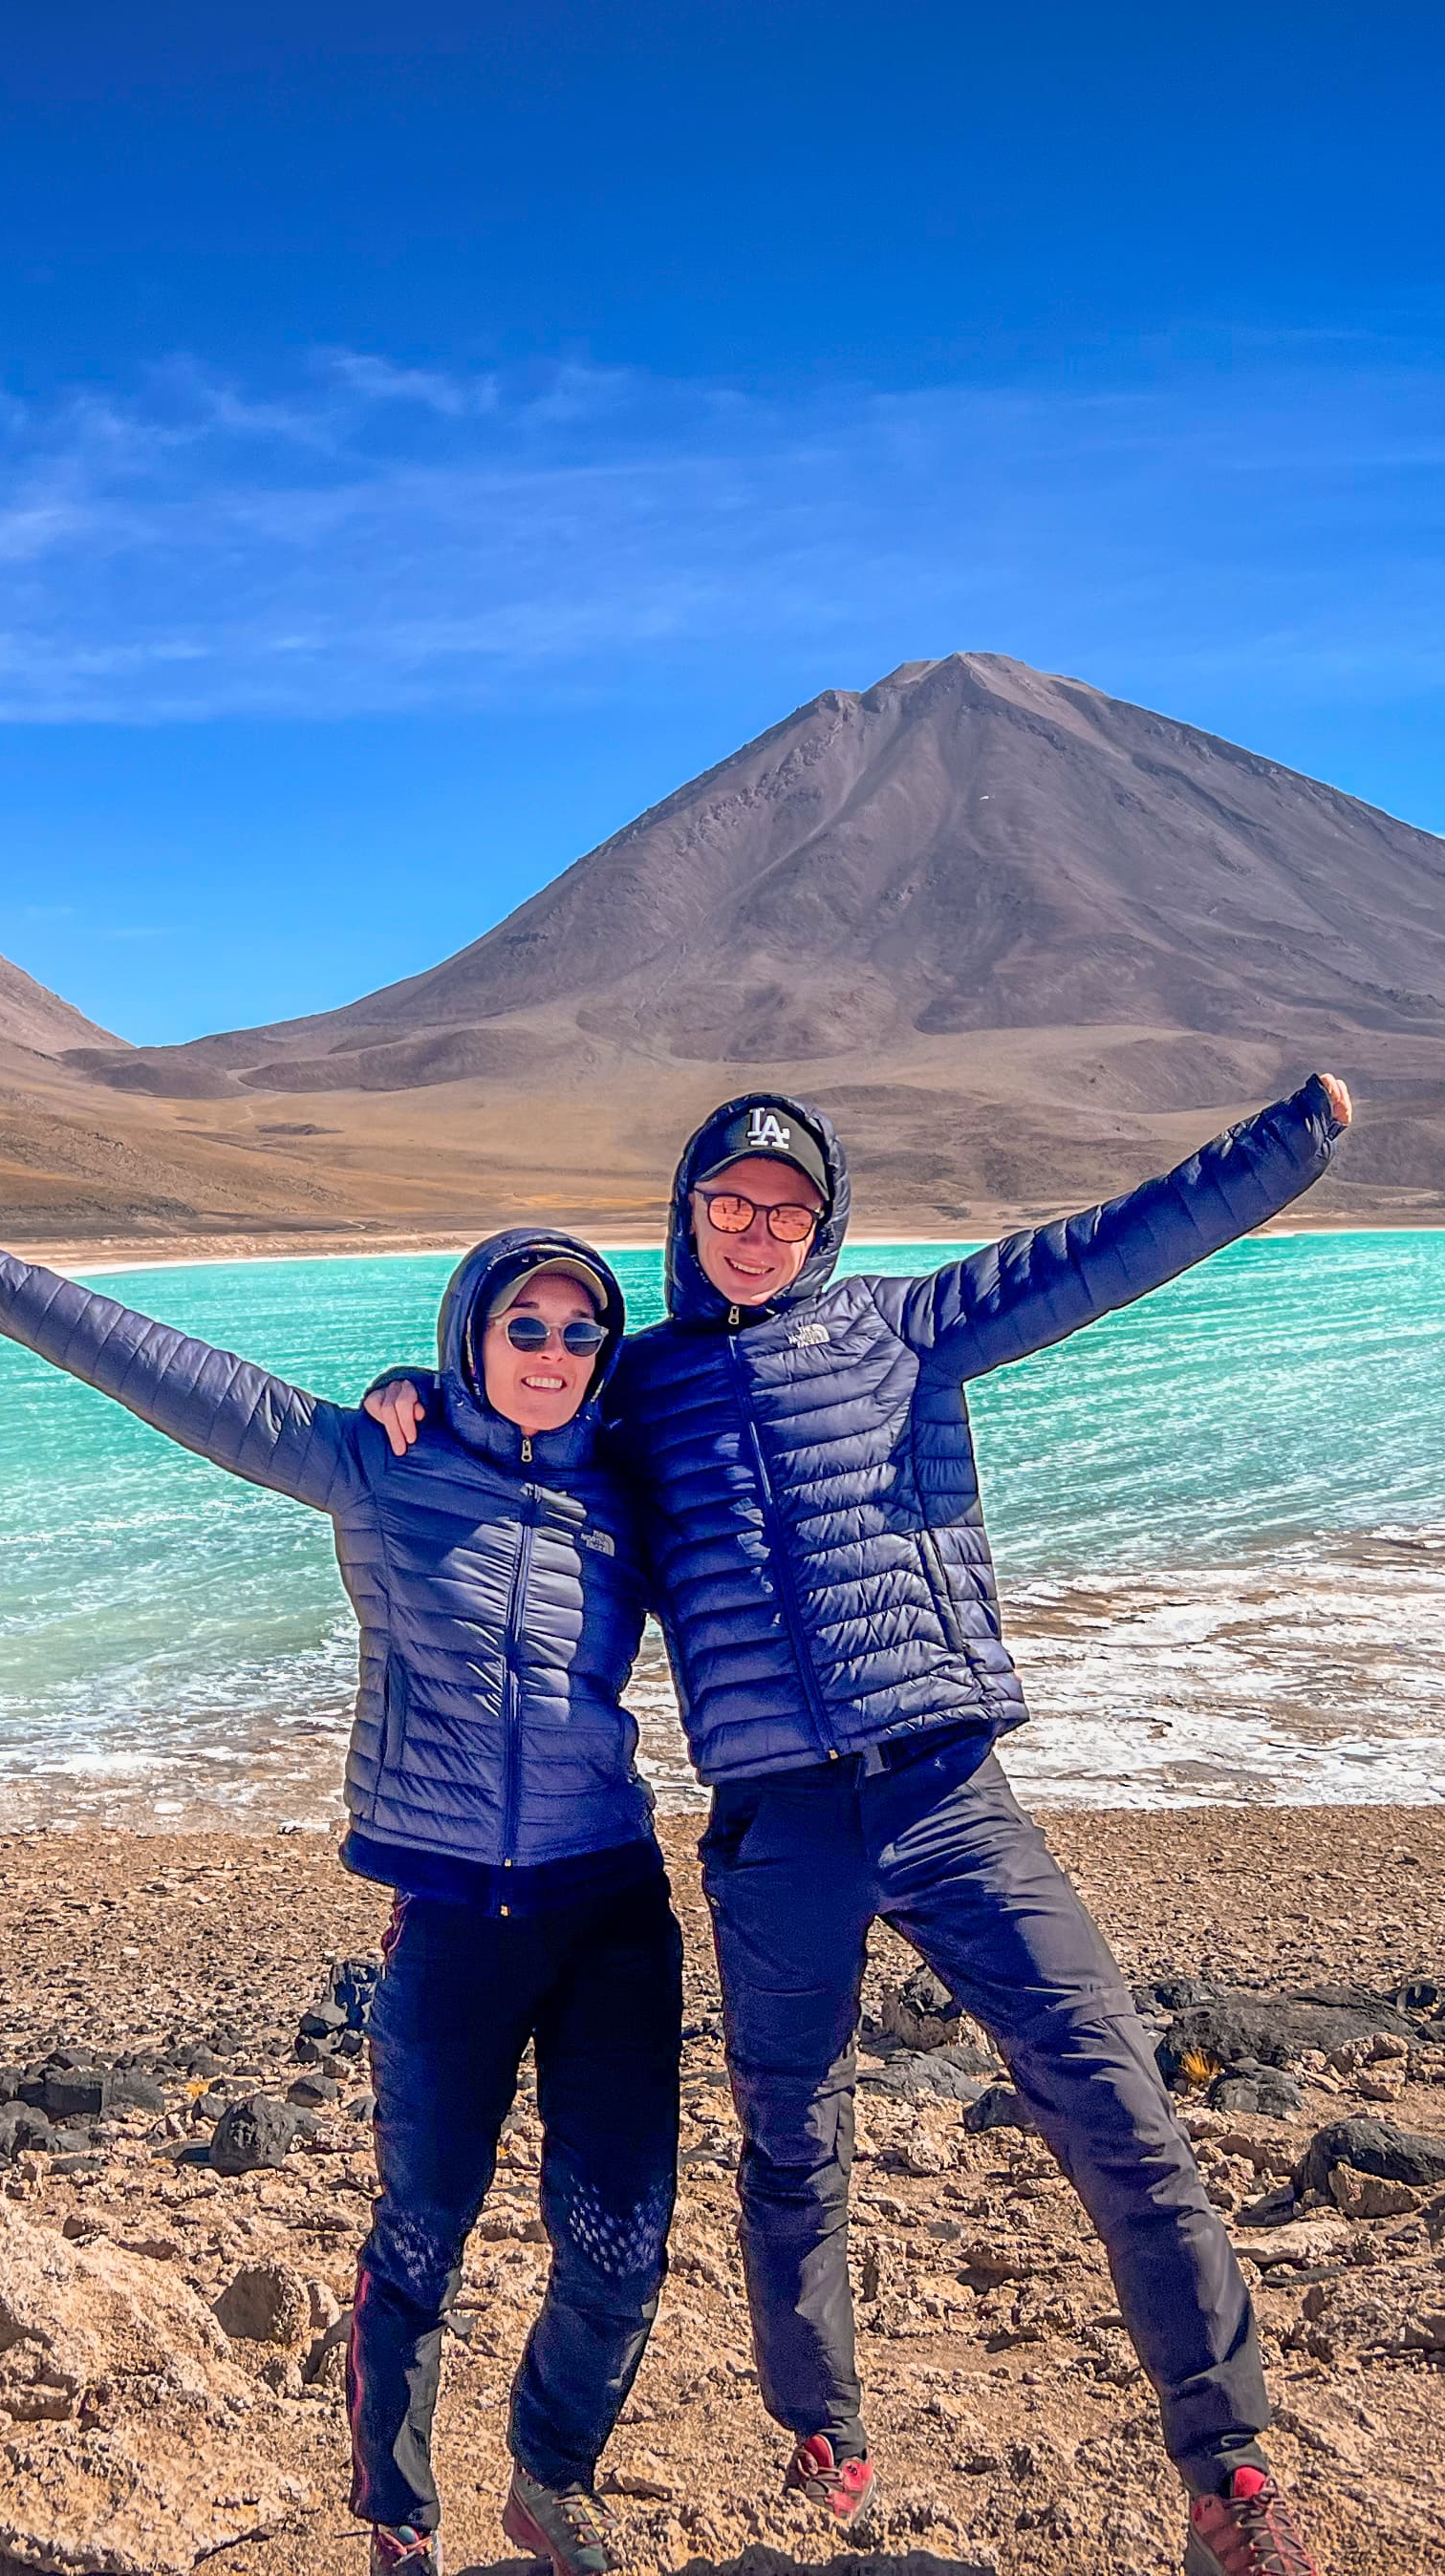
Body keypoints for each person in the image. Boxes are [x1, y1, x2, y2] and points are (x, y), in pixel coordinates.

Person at [365, 1079, 1353, 2576]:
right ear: (688, 1213)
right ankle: (824, 2426)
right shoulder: (640, 1388)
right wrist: (412, 1388)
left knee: (1110, 2093)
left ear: (825, 1226)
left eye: (789, 1210)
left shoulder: (908, 1328)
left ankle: (1227, 2467)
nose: (757, 1232)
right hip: (777, 1830)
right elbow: (519, 1427)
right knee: (788, 2134)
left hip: (948, 1791)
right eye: (729, 1205)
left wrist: (1287, 1143)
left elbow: (1103, 1251)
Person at [0, 1208, 678, 2576]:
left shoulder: (629, 1485)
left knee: (620, 2243)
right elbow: (195, 1387)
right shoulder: (379, 1460)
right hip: (453, 1919)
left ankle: (551, 2473)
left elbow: (773, 1535)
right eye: (525, 1327)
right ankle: (399, 2522)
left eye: (581, 1331)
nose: (554, 1352)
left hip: (612, 1908)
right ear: (471, 1335)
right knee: (424, 2234)